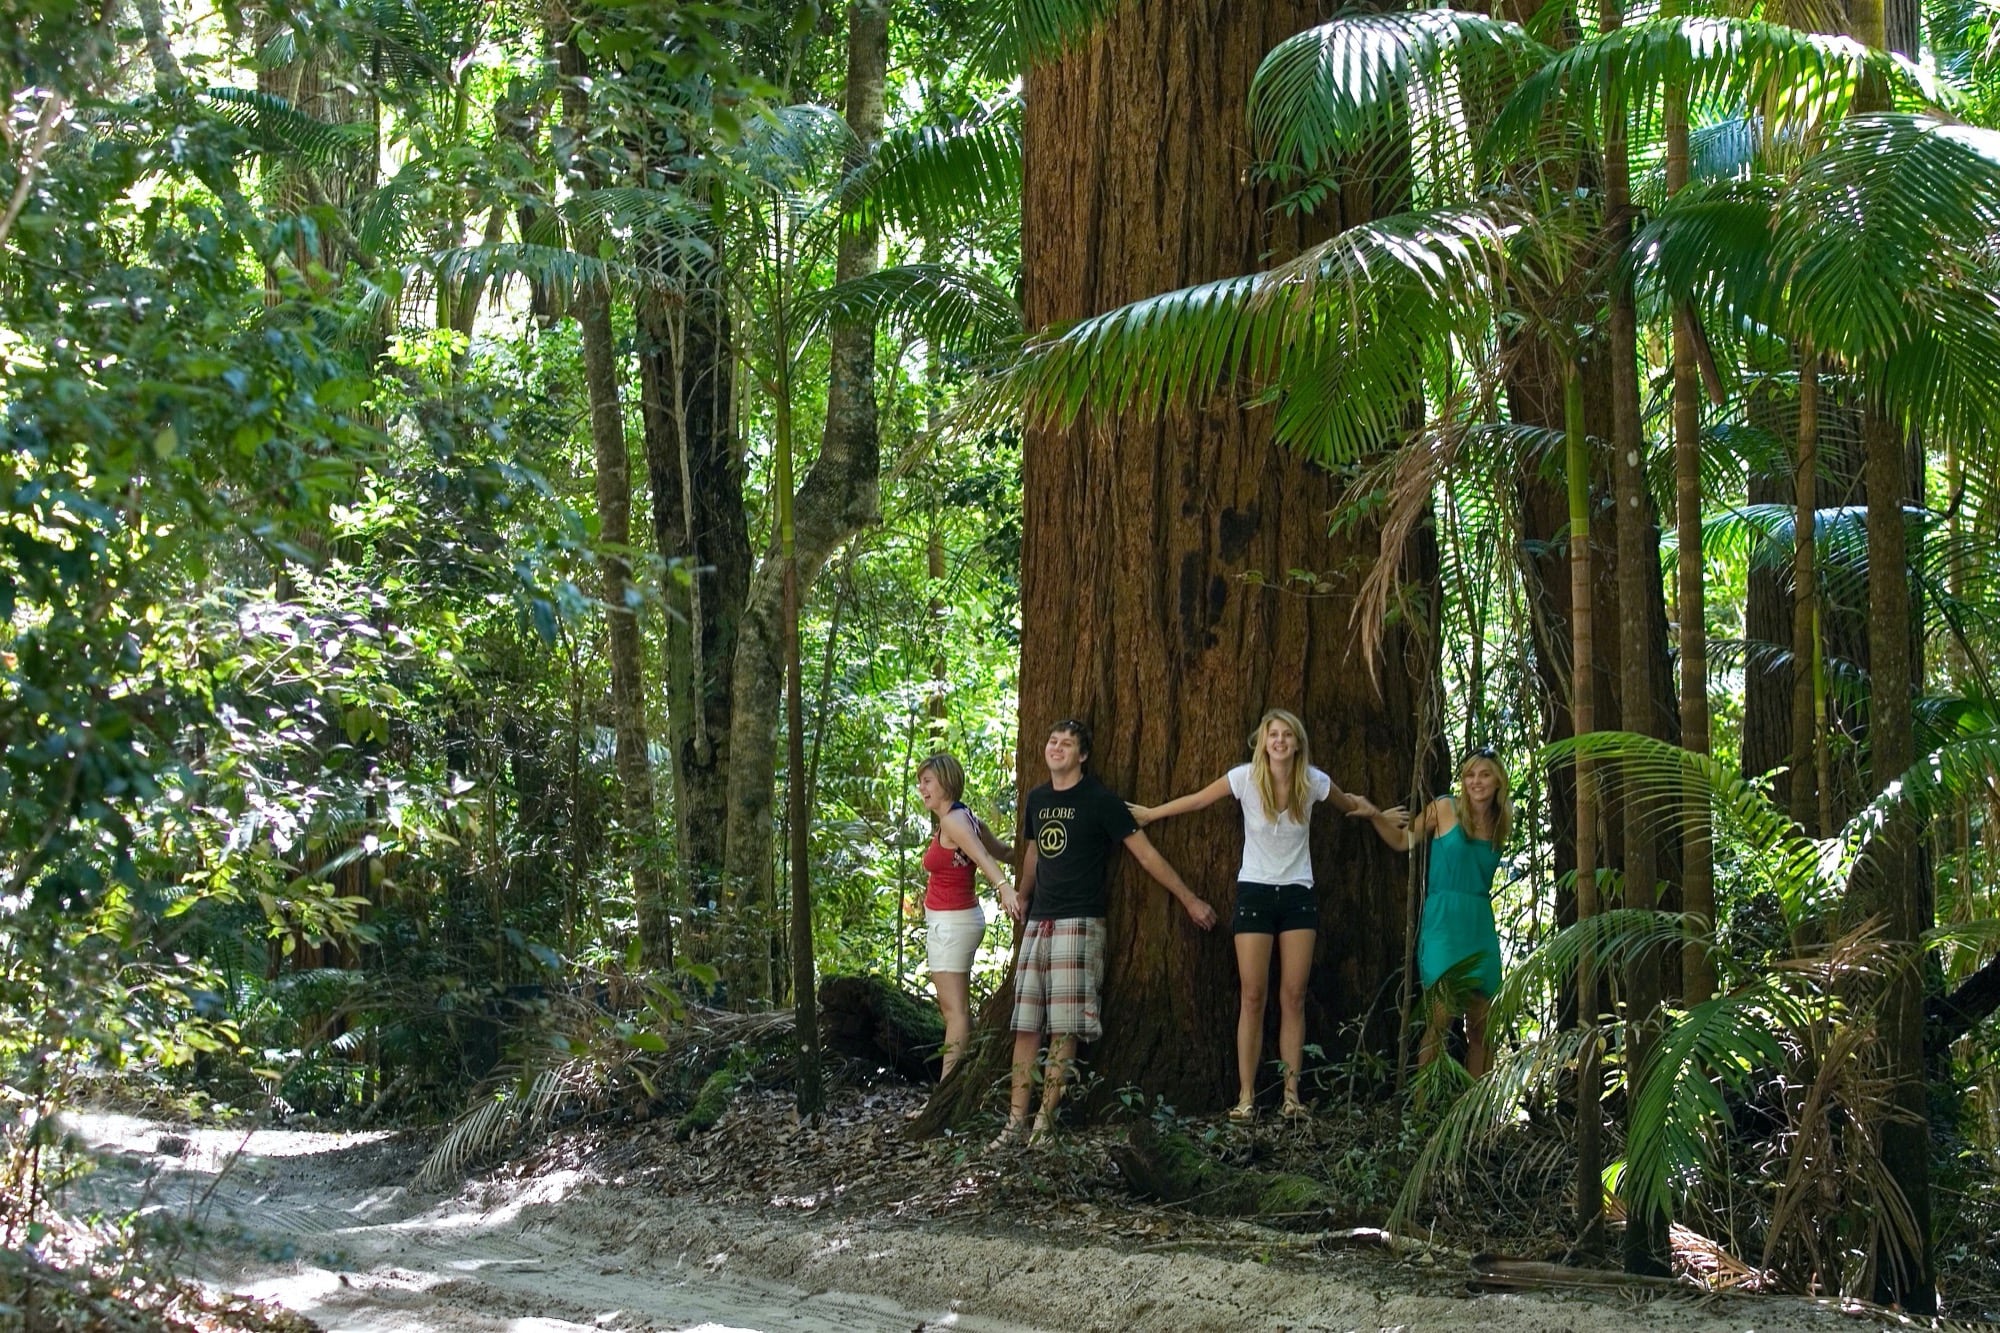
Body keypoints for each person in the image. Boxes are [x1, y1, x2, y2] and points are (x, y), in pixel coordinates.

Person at [1128, 709, 1371, 1120]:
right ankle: (1246, 1096)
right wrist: (1152, 814)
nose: (1279, 741)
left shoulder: (1313, 782)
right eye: (1272, 735)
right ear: (1262, 742)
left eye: (1286, 735)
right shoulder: (1244, 778)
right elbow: (1198, 800)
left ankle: (1292, 1097)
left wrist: (1380, 815)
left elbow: (1352, 805)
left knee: (1293, 996)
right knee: (1252, 996)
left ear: (1297, 743)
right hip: (1255, 892)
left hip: (1298, 894)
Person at [997, 718, 1218, 1147]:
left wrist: (1189, 899)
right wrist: (1022, 895)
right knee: (1026, 1025)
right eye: (1052, 740)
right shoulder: (1038, 799)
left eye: (1066, 743)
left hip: (1079, 923)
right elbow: (1034, 853)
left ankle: (1045, 1122)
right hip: (1039, 921)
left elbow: (1146, 855)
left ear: (1082, 756)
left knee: (1064, 1027)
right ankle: (1014, 1122)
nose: (1056, 747)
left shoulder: (1099, 800)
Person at [1357, 748, 1513, 1078]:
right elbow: (1402, 840)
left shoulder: (1501, 823)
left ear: (1498, 779)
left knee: (1483, 1028)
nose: (1476, 782)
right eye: (1470, 775)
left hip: (1479, 927)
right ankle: (1422, 1110)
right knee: (1439, 1019)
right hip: (1443, 923)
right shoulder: (1445, 808)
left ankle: (1474, 1113)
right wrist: (1375, 815)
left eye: (1484, 774)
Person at [915, 753, 1015, 1079]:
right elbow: (1004, 851)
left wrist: (1004, 887)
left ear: (945, 783)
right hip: (955, 921)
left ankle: (946, 1091)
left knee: (954, 1013)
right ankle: (960, 1079)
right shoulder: (965, 817)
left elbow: (985, 857)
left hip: (952, 924)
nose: (922, 788)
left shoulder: (953, 822)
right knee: (956, 1011)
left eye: (927, 781)